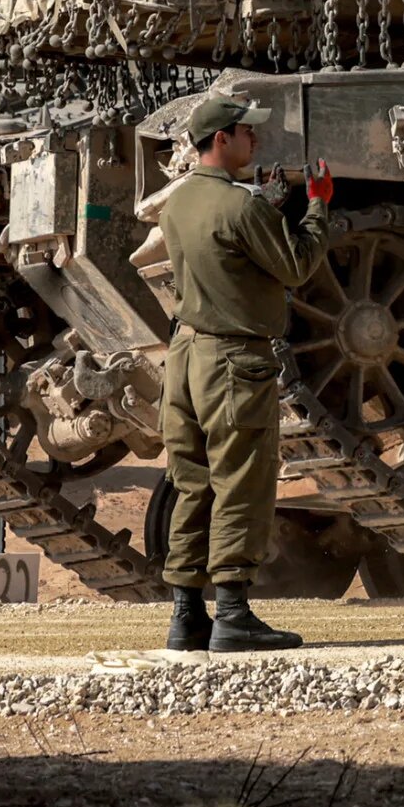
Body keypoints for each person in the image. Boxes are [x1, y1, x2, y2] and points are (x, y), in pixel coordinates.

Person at [160, 92, 334, 653]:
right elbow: (297, 264)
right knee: (241, 483)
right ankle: (233, 613)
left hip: (184, 358)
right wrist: (316, 205)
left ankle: (187, 616)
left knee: (193, 486)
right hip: (233, 362)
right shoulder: (242, 206)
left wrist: (263, 204)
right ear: (221, 140)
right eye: (245, 131)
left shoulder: (177, 202)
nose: (253, 139)